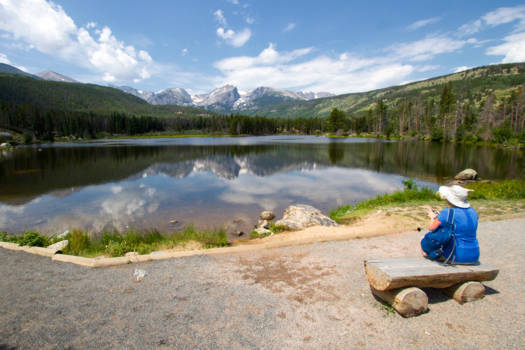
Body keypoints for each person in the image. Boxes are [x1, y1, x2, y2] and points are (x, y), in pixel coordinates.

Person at [421, 185, 480, 264]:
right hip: (474, 255)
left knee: (424, 241)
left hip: (455, 256)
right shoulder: (473, 212)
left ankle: (428, 259)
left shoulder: (447, 212)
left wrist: (433, 217)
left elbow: (431, 228)